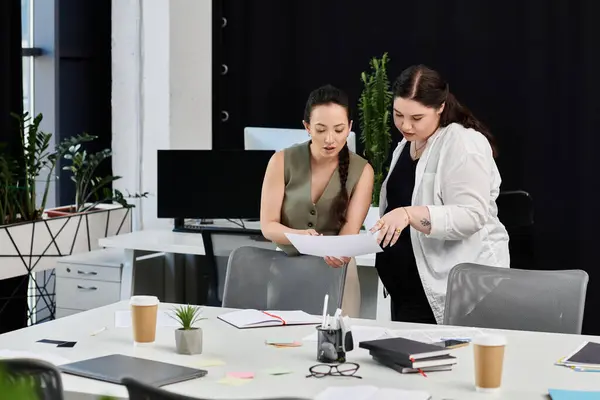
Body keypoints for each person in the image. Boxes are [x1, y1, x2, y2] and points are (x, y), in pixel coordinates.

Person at [369, 65, 510, 324]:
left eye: (416, 118)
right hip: (410, 294)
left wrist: (410, 215)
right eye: (398, 114)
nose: (405, 125)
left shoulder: (463, 142)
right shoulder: (409, 143)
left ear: (441, 107)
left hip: (457, 294)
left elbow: (472, 216)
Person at [260, 84, 374, 317]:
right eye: (320, 130)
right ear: (307, 127)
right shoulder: (281, 161)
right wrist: (301, 237)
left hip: (337, 271)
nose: (330, 139)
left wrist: (333, 251)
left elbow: (350, 231)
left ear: (350, 127)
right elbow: (268, 226)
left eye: (339, 130)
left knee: (339, 344)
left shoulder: (362, 171)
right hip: (286, 270)